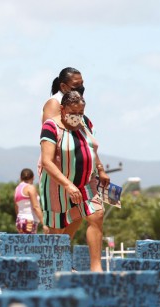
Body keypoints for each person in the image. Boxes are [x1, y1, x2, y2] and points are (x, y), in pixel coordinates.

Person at [39, 90, 108, 271]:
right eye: (73, 112)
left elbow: (91, 148)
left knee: (97, 215)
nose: (77, 117)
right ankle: (56, 268)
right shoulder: (51, 126)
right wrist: (67, 185)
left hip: (86, 183)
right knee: (58, 230)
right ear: (62, 109)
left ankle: (96, 268)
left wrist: (100, 169)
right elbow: (47, 161)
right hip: (58, 185)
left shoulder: (84, 124)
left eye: (80, 113)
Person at [14, 168, 44, 234]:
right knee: (31, 243)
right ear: (33, 178)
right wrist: (44, 223)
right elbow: (35, 206)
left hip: (20, 220)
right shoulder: (30, 188)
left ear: (20, 178)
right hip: (30, 221)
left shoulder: (17, 189)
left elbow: (16, 207)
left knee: (23, 243)